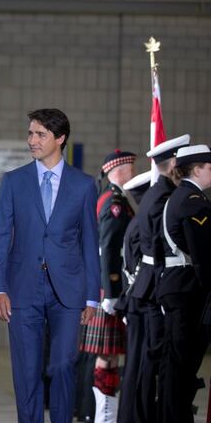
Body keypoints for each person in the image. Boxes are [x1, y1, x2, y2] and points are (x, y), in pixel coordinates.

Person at [0, 108, 100, 423]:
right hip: (22, 289)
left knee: (63, 364)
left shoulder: (83, 185)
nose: (32, 141)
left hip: (68, 291)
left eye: (40, 134)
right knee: (26, 371)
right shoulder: (13, 181)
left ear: (60, 138)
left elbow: (90, 243)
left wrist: (92, 296)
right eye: (30, 133)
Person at [127, 134, 190, 423]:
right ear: (175, 162)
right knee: (156, 357)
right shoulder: (164, 195)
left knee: (150, 357)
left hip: (148, 282)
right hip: (156, 282)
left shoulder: (156, 192)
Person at [78, 150, 136, 423]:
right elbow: (108, 249)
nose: (133, 173)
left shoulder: (116, 199)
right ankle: (103, 416)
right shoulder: (113, 202)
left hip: (108, 288)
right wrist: (111, 292)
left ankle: (106, 414)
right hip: (107, 290)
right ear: (118, 169)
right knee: (105, 357)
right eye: (130, 167)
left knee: (110, 358)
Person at [155, 144, 211, 423]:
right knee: (182, 365)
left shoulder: (178, 196)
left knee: (175, 364)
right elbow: (202, 253)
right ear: (197, 169)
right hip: (187, 290)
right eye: (209, 166)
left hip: (175, 286)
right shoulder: (193, 200)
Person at [115, 170, 152, 423]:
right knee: (137, 366)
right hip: (139, 299)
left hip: (134, 297)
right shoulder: (141, 224)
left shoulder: (136, 221)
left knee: (134, 365)